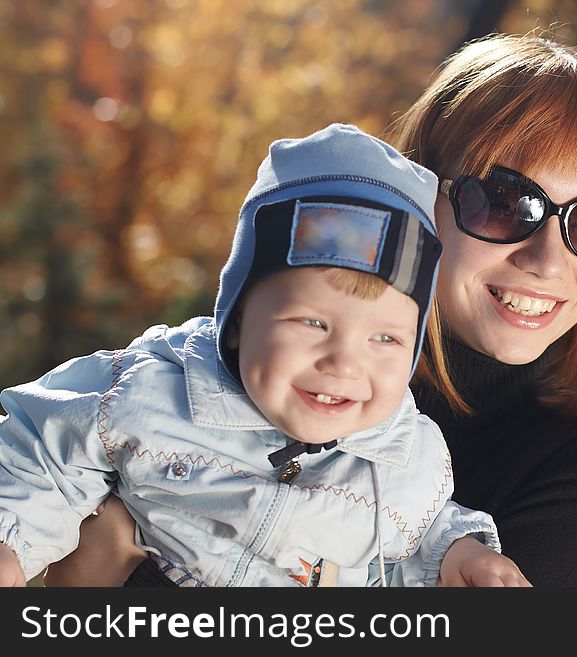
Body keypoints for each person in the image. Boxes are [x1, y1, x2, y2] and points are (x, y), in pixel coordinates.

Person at [44, 32, 577, 587]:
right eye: (506, 201)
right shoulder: (212, 385)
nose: (547, 260)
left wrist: (113, 579)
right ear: (418, 202)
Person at [0, 123, 530, 588]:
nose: (344, 363)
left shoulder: (405, 455)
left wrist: (458, 554)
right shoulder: (152, 392)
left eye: (385, 339)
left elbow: (422, 531)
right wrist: (9, 542)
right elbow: (42, 454)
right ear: (237, 320)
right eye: (312, 323)